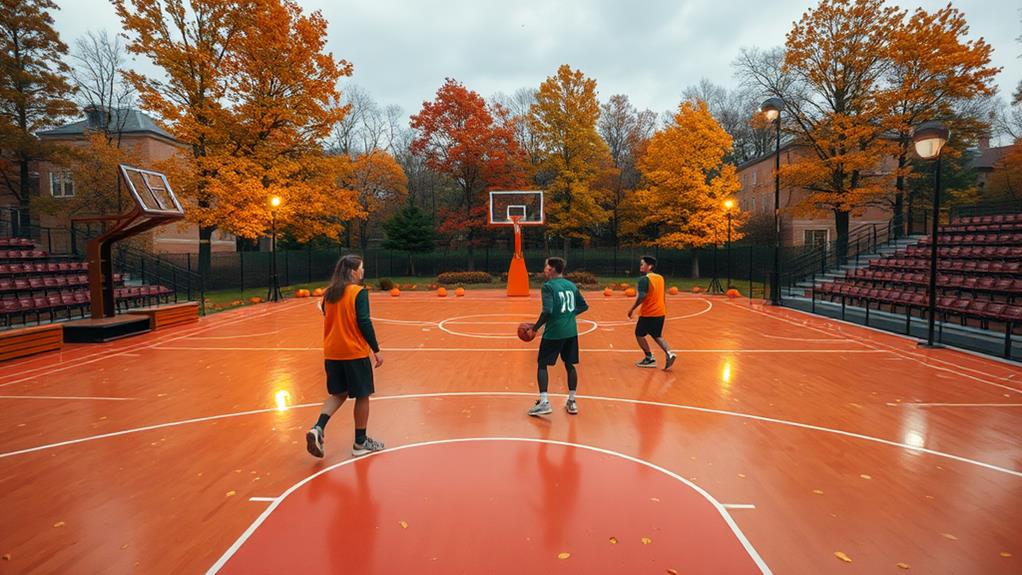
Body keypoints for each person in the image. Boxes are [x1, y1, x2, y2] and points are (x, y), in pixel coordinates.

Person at [306, 254, 385, 458]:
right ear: (352, 272)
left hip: (332, 353)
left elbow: (328, 315)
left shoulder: (329, 294)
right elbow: (364, 322)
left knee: (338, 394)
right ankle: (360, 443)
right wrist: (376, 349)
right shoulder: (358, 292)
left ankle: (318, 427)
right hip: (353, 351)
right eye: (361, 268)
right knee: (362, 395)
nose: (363, 271)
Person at [526, 257, 589, 416]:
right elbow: (583, 305)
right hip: (571, 331)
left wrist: (535, 328)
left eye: (546, 266)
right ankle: (572, 401)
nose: (544, 269)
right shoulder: (571, 285)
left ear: (553, 269)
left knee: (542, 364)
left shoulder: (548, 287)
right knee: (569, 365)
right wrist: (568, 314)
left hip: (554, 332)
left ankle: (544, 402)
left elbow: (547, 311)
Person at [627, 255, 677, 370]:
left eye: (642, 264)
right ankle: (669, 353)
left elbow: (642, 296)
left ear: (649, 266)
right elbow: (663, 295)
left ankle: (649, 358)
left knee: (639, 334)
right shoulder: (660, 278)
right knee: (657, 335)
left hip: (649, 313)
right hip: (660, 311)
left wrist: (632, 309)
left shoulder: (644, 280)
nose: (640, 266)